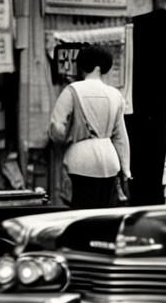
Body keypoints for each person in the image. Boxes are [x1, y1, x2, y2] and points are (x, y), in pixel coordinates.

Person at [47, 45, 131, 209]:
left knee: (81, 214)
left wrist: (63, 142)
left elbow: (56, 128)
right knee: (104, 217)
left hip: (81, 159)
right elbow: (121, 137)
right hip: (110, 160)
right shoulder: (115, 94)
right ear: (102, 68)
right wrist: (126, 170)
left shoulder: (72, 90)